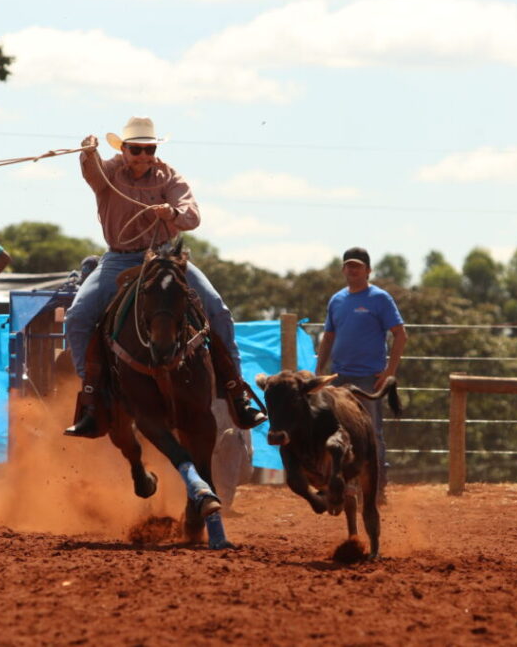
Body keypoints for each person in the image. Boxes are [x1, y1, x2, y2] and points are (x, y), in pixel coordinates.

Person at [63, 116, 265, 438]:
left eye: (149, 149)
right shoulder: (110, 172)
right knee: (77, 316)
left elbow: (192, 214)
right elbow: (92, 173)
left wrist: (173, 213)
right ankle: (92, 396)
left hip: (164, 257)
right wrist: (87, 153)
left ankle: (235, 390)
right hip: (117, 258)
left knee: (216, 307)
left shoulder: (169, 176)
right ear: (124, 150)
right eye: (136, 150)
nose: (143, 156)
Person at [315, 247, 408, 501]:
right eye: (348, 265)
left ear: (368, 270)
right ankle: (341, 484)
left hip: (369, 378)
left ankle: (377, 488)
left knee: (372, 433)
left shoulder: (380, 298)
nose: (352, 270)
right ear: (343, 269)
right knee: (335, 431)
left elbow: (400, 334)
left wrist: (389, 371)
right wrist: (319, 370)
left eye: (357, 266)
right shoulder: (337, 300)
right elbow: (329, 337)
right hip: (339, 377)